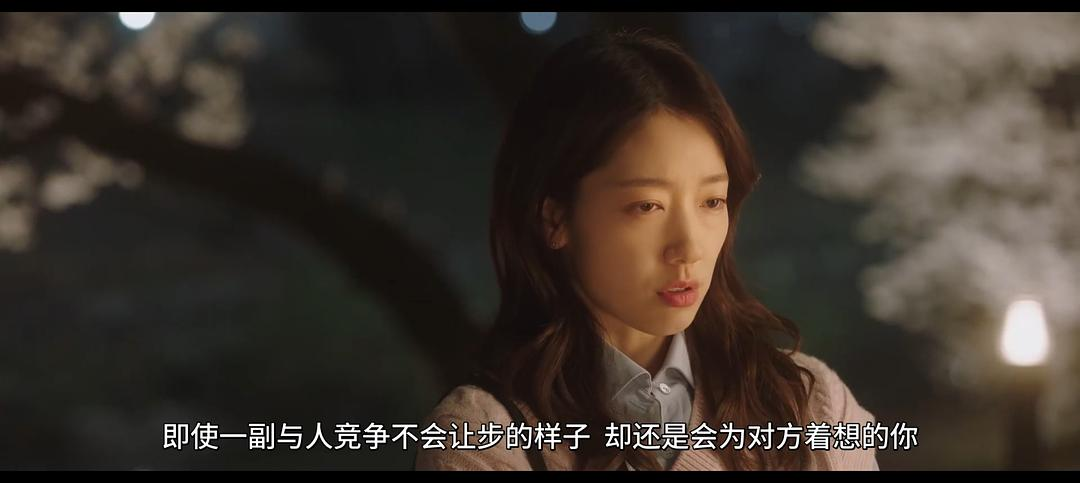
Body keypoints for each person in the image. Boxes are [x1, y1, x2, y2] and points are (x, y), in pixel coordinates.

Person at [415, 29, 878, 471]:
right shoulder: (483, 438)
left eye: (712, 201)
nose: (689, 248)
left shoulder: (810, 403)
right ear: (556, 219)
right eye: (647, 206)